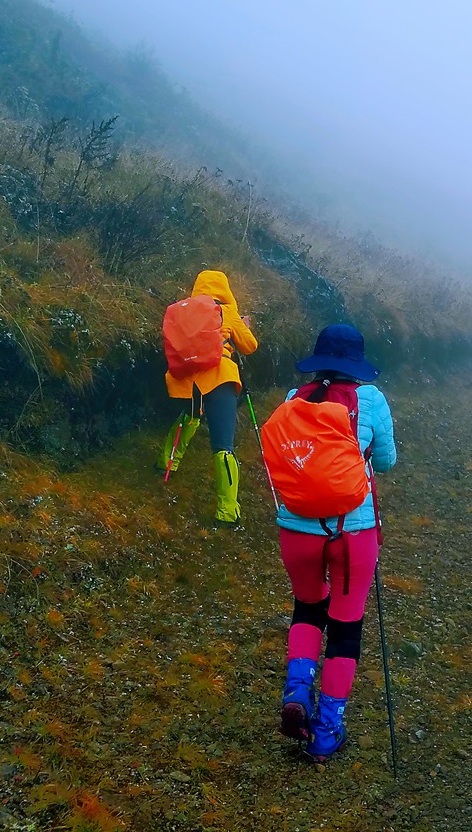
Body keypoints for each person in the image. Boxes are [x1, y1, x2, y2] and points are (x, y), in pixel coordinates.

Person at [274, 324, 397, 762]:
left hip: (297, 530)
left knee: (307, 607)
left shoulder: (294, 400)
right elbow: (385, 460)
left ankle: (298, 689)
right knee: (345, 628)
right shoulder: (371, 401)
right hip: (353, 534)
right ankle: (327, 730)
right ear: (356, 366)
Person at [160, 269, 257, 527]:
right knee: (223, 445)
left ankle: (167, 463)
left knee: (191, 416)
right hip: (219, 378)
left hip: (186, 380)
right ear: (224, 290)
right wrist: (243, 327)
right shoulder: (227, 312)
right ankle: (227, 512)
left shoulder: (181, 311)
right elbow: (250, 346)